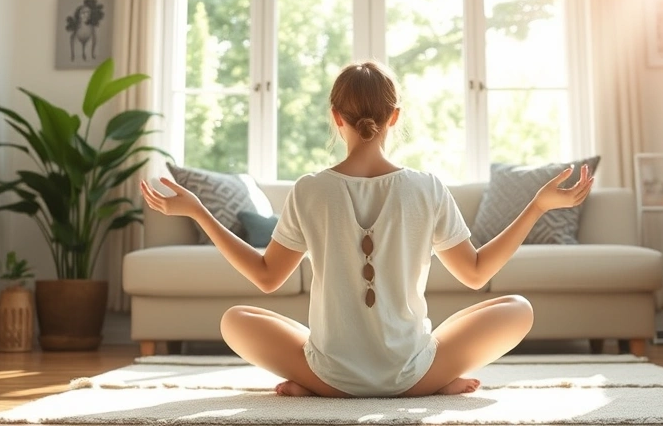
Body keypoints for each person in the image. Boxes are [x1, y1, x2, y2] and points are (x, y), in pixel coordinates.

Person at [140, 60, 593, 398]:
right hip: (411, 370)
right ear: (394, 117)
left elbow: (266, 277)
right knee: (517, 308)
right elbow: (475, 274)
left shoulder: (310, 189)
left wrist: (200, 211)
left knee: (235, 320)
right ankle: (425, 386)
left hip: (331, 373)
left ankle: (321, 388)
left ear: (336, 118)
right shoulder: (427, 187)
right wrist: (536, 206)